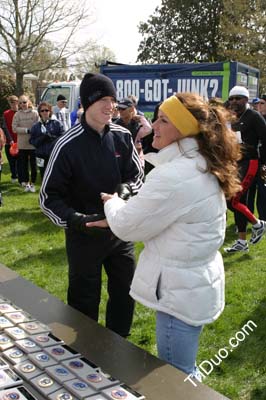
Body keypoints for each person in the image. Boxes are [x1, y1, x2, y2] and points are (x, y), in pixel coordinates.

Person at [86, 92, 241, 378]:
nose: (152, 125)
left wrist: (113, 203)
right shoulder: (200, 164)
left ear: (183, 130)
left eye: (163, 120)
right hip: (193, 282)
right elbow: (166, 216)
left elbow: (128, 226)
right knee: (185, 370)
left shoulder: (175, 175)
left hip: (178, 291)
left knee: (176, 376)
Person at [39, 73, 144, 338]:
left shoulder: (122, 136)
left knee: (125, 292)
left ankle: (120, 349)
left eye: (113, 100)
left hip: (120, 232)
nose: (111, 106)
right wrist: (76, 220)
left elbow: (137, 176)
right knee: (84, 301)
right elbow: (48, 197)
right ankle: (82, 356)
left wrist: (126, 191)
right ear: (87, 102)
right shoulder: (67, 145)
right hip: (83, 237)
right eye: (103, 100)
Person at [224, 86, 266, 253]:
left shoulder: (254, 116)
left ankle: (258, 223)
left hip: (251, 163)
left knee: (233, 199)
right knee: (238, 201)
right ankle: (242, 241)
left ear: (246, 100)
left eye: (238, 98)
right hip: (235, 163)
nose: (234, 101)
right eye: (232, 98)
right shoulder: (231, 117)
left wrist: (264, 163)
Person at [29, 102, 64, 179]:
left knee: (54, 175)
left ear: (50, 111)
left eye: (46, 110)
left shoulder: (57, 124)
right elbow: (32, 141)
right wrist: (42, 138)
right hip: (40, 155)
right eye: (42, 111)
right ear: (39, 113)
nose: (44, 112)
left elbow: (63, 138)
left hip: (53, 154)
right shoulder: (35, 126)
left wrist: (52, 138)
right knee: (43, 175)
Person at [12, 95, 39, 192]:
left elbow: (38, 126)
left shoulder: (35, 113)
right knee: (23, 165)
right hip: (22, 144)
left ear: (29, 102)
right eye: (20, 103)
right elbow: (14, 128)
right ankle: (27, 183)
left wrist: (34, 131)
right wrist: (26, 130)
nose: (23, 104)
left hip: (33, 143)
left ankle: (33, 183)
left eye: (24, 102)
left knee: (33, 165)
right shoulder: (17, 114)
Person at [2, 95, 19, 182]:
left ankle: (21, 176)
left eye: (16, 102)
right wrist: (10, 139)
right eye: (12, 102)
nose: (14, 104)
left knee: (20, 161)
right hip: (10, 142)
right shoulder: (6, 114)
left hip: (20, 141)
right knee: (11, 161)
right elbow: (5, 127)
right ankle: (14, 176)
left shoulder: (21, 113)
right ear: (9, 103)